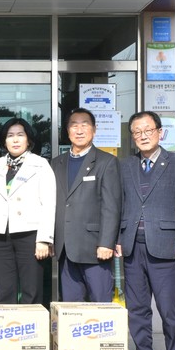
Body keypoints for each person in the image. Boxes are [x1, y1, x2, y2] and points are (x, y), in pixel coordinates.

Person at [115, 111, 175, 350]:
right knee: (137, 308)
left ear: (160, 132)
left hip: (165, 246)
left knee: (168, 309)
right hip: (132, 247)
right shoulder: (125, 166)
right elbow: (119, 206)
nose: (143, 136)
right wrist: (117, 238)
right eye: (137, 132)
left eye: (148, 130)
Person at [0, 118, 55, 305]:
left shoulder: (40, 164)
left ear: (28, 140)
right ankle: (9, 323)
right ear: (4, 141)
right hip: (0, 235)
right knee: (4, 289)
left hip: (30, 235)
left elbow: (49, 203)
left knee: (32, 289)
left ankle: (31, 325)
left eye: (20, 135)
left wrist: (44, 239)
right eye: (10, 135)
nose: (15, 140)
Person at [51, 107, 121, 302]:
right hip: (65, 248)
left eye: (85, 125)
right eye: (74, 125)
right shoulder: (56, 163)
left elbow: (111, 206)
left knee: (101, 305)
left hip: (95, 249)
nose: (79, 130)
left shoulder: (107, 162)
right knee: (71, 309)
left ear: (94, 130)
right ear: (67, 131)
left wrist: (106, 243)